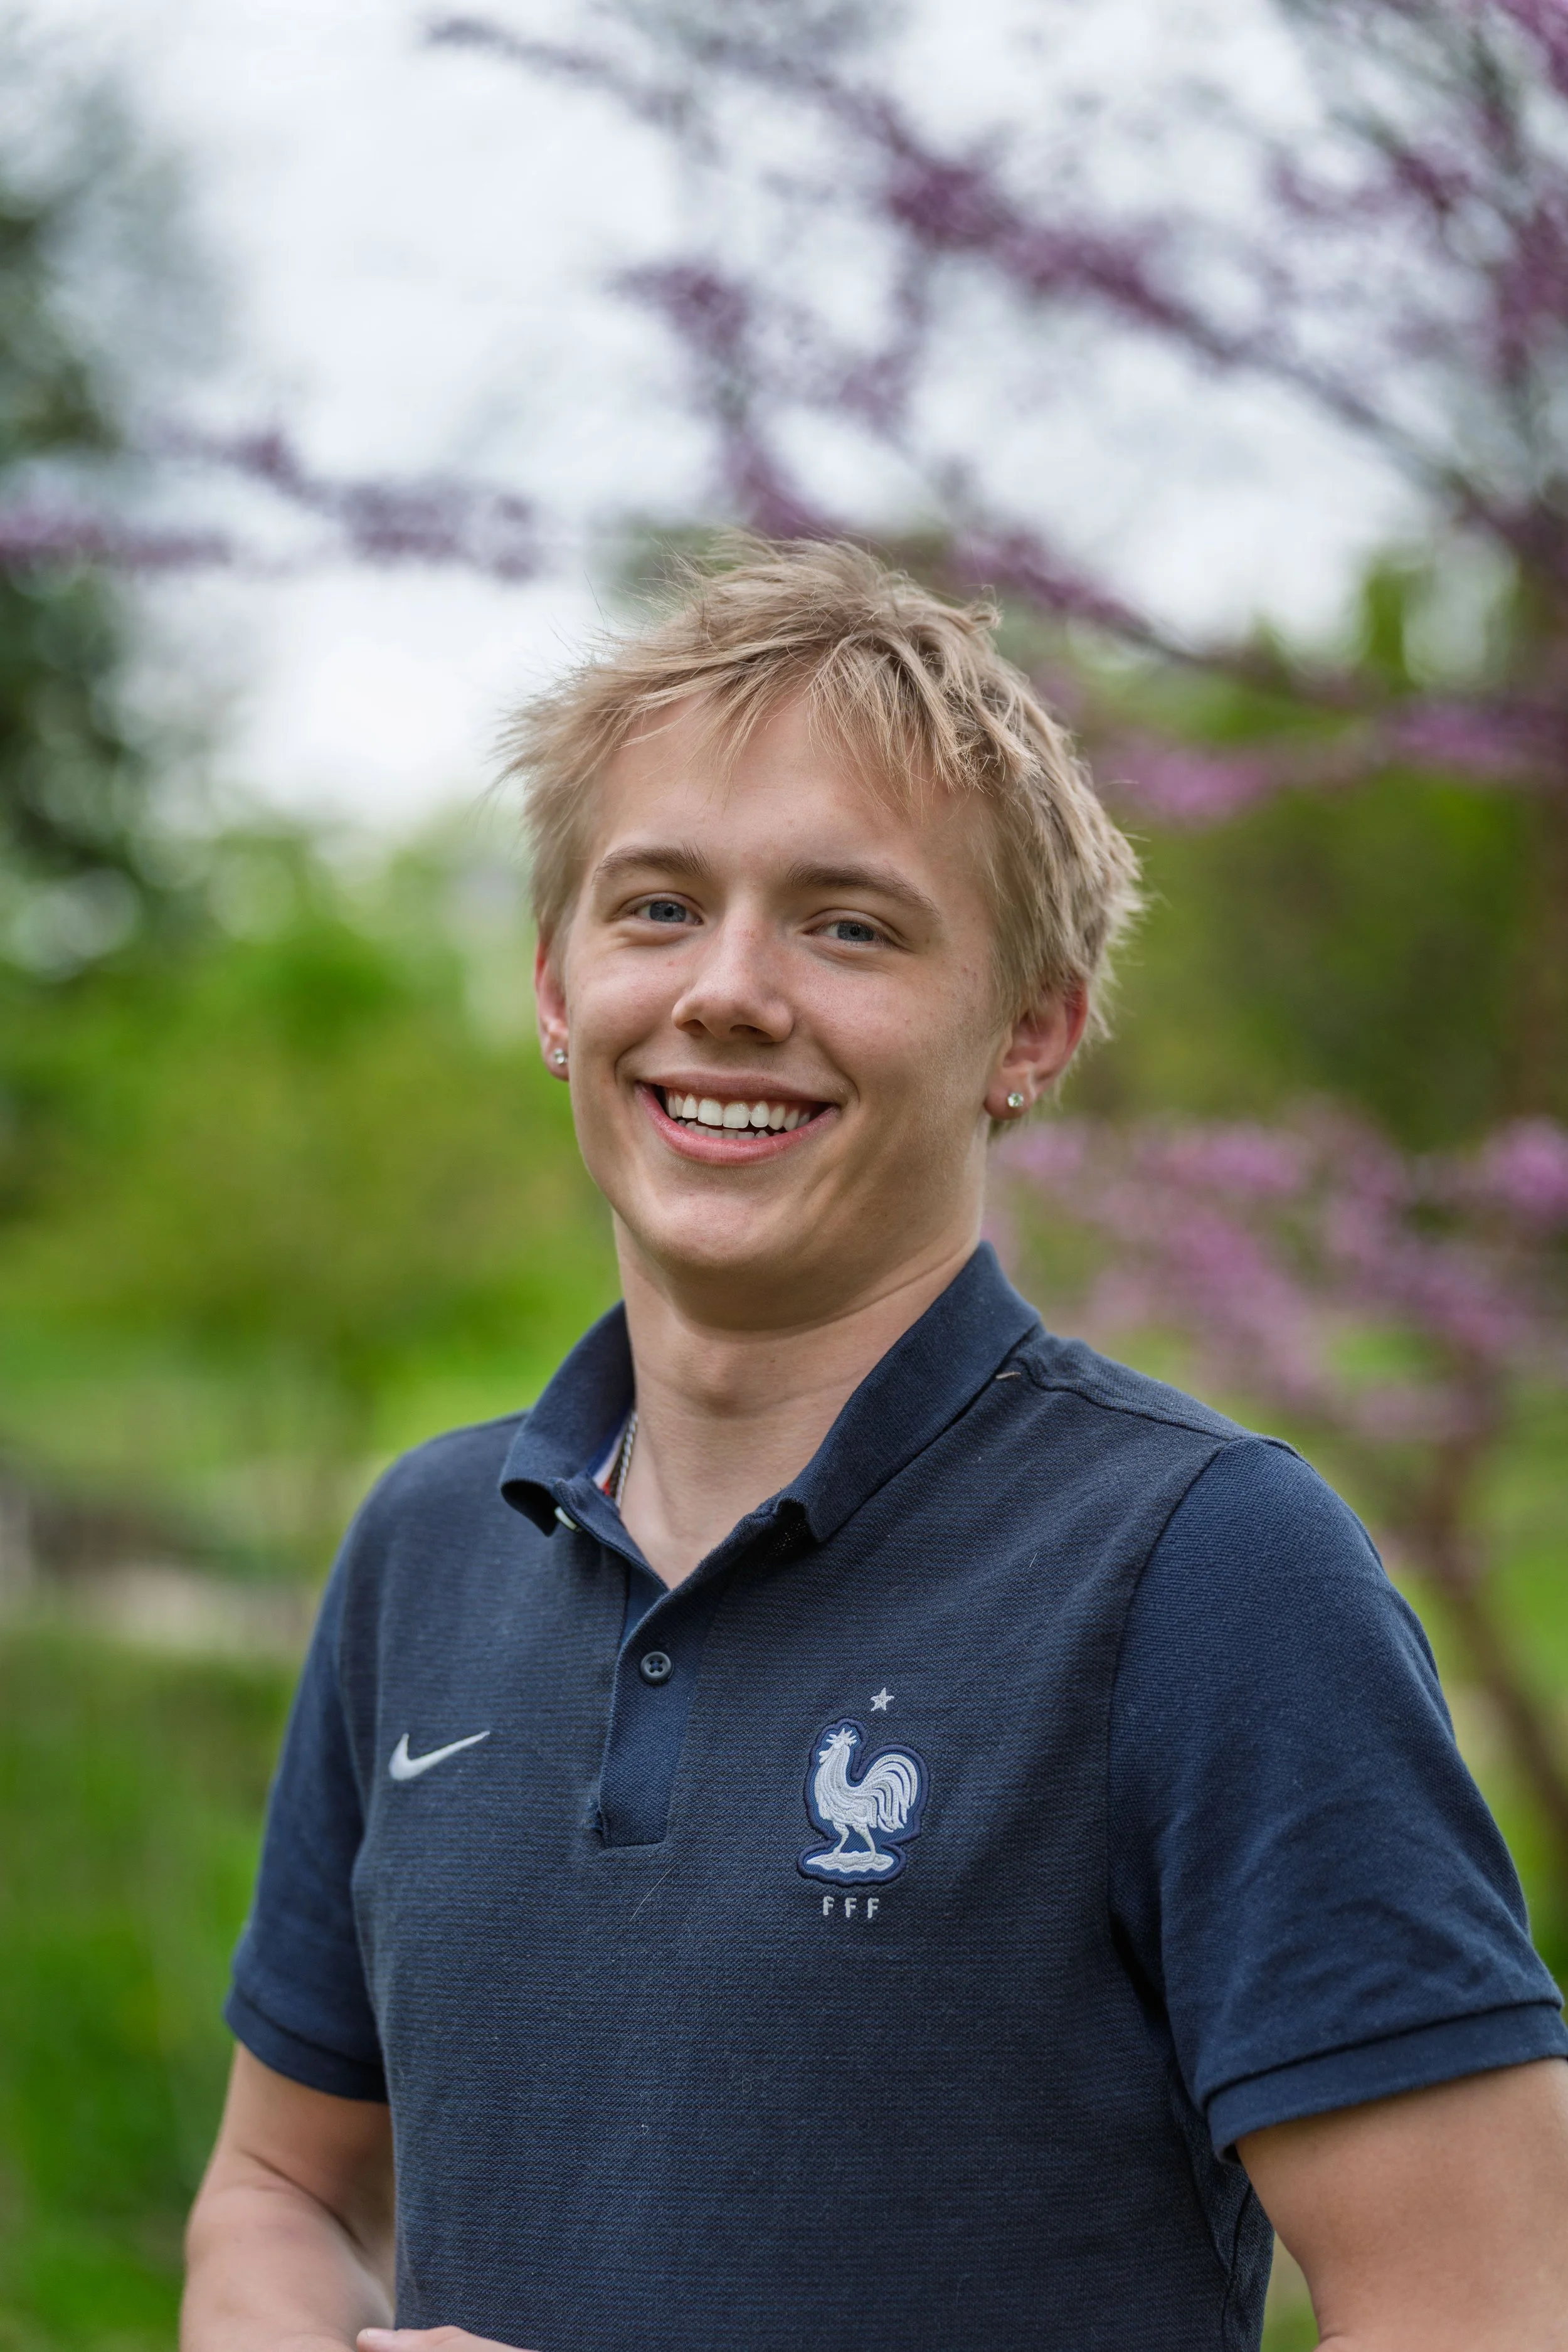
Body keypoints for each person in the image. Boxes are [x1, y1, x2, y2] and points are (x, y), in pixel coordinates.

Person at [182, 541, 1568, 2352]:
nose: (729, 991)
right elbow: (282, 2186)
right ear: (552, 986)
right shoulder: (427, 1544)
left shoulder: (1206, 1569)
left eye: (848, 924)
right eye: (657, 906)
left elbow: (1483, 2310)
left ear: (1031, 1026)